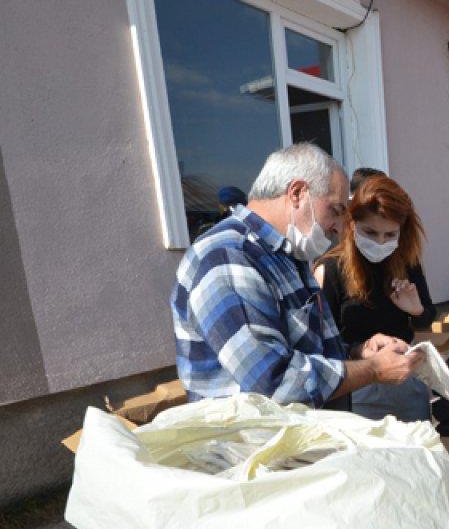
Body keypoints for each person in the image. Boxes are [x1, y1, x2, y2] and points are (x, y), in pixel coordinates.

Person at [171, 143, 420, 409]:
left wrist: (358, 352)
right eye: (335, 210)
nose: (339, 228)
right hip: (253, 446)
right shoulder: (228, 257)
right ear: (298, 193)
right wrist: (372, 369)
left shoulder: (286, 257)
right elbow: (275, 383)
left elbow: (306, 349)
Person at [315, 175, 436, 421]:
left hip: (404, 382)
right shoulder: (330, 269)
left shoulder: (406, 264)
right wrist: (361, 349)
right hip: (357, 390)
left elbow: (426, 320)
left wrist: (416, 311)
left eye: (390, 235)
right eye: (370, 232)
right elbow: (318, 345)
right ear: (351, 225)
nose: (380, 242)